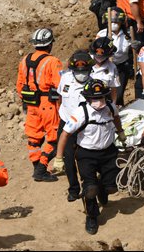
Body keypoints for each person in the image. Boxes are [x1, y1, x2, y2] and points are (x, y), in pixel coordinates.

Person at [54, 79, 127, 235]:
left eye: (101, 98)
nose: (98, 102)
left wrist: (120, 132)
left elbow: (116, 118)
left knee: (112, 186)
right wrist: (59, 158)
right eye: (94, 99)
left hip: (108, 152)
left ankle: (103, 189)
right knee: (90, 188)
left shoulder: (110, 107)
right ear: (87, 99)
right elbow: (65, 134)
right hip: (87, 155)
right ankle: (91, 216)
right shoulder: (81, 113)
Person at [16, 27, 63, 182]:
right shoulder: (53, 61)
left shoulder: (25, 60)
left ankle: (36, 167)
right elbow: (60, 85)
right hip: (48, 104)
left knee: (34, 138)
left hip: (31, 104)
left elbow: (20, 86)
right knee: (55, 138)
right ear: (50, 44)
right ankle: (41, 169)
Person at [57, 50, 94, 202]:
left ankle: (89, 185)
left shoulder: (94, 84)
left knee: (85, 158)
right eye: (78, 71)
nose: (81, 74)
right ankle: (73, 188)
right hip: (66, 123)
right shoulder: (65, 78)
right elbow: (60, 97)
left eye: (84, 71)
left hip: (86, 127)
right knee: (68, 158)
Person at [96, 7, 136, 107]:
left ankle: (118, 110)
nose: (114, 24)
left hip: (122, 67)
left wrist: (136, 45)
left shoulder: (127, 35)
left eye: (116, 22)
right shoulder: (101, 35)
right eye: (112, 21)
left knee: (118, 94)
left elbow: (135, 48)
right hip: (106, 67)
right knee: (106, 93)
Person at [89, 36, 121, 105]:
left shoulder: (112, 68)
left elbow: (113, 90)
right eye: (97, 56)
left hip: (103, 102)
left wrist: (113, 106)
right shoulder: (86, 62)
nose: (99, 58)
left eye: (102, 56)